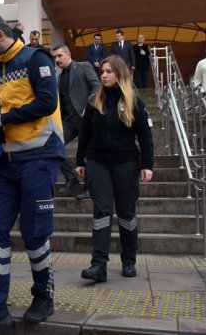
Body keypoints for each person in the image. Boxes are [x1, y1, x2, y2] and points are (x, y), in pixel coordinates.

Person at [0, 12, 66, 334]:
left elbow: (47, 103)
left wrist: (3, 120)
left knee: (36, 233)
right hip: (8, 161)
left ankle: (43, 295)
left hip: (40, 156)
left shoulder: (36, 58)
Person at [75, 55, 154, 282]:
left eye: (109, 71)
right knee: (102, 211)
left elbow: (145, 137)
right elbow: (85, 134)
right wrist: (80, 161)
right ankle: (98, 265)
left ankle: (129, 259)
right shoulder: (94, 101)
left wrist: (147, 165)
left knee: (127, 213)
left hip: (127, 163)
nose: (104, 75)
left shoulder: (135, 102)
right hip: (98, 162)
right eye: (103, 72)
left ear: (119, 73)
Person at [51, 45, 100, 197]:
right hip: (69, 121)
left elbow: (97, 86)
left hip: (87, 119)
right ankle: (71, 178)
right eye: (54, 57)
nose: (56, 60)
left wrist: (88, 107)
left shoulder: (84, 66)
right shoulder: (60, 77)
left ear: (68, 54)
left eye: (59, 56)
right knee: (52, 146)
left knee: (88, 153)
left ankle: (89, 188)